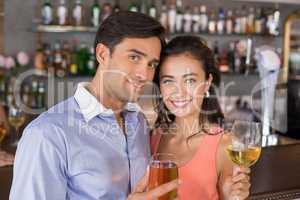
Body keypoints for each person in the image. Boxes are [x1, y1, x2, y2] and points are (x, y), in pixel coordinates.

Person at [10, 11, 180, 200]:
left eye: (151, 64)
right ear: (102, 54)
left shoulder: (138, 121)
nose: (144, 74)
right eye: (134, 57)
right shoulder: (47, 134)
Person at [151, 36, 251, 200]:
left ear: (207, 82)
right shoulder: (154, 137)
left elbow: (233, 195)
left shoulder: (225, 145)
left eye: (190, 81)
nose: (179, 92)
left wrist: (233, 197)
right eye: (168, 81)